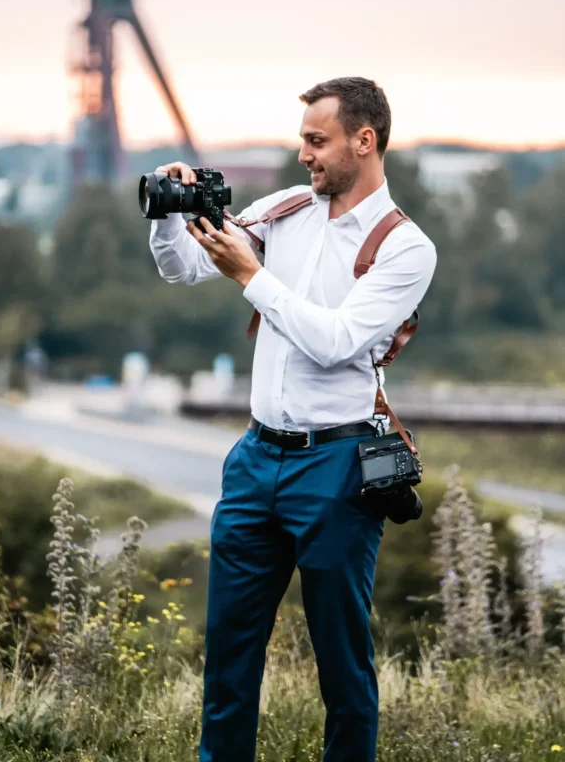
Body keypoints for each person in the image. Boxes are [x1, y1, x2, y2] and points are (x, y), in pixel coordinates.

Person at [148, 77, 437, 762]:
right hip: (254, 460)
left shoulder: (404, 248)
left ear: (362, 142)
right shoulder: (284, 211)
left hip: (335, 469)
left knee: (341, 661)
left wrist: (251, 276)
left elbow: (336, 341)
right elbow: (183, 268)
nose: (303, 154)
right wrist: (168, 211)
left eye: (317, 140)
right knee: (228, 655)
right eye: (301, 139)